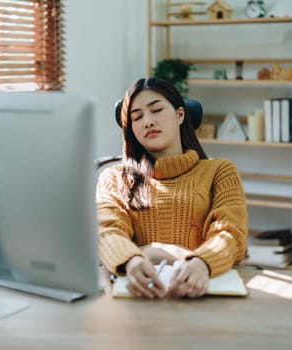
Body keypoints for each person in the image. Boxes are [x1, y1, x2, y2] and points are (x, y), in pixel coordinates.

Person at [96, 77, 248, 299]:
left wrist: (202, 263)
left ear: (180, 114)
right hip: (138, 297)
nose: (147, 121)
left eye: (156, 110)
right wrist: (132, 260)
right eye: (137, 117)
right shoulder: (113, 178)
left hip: (203, 295)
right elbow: (107, 231)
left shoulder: (220, 171)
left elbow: (231, 233)